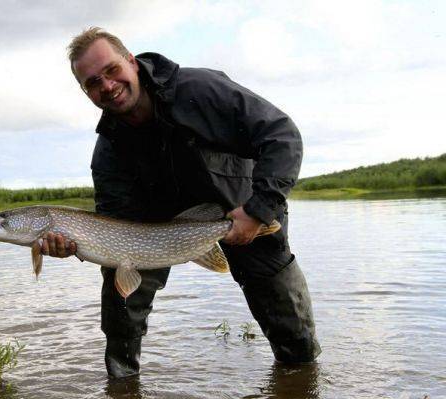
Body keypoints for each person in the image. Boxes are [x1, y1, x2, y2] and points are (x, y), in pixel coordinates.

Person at [40, 27, 321, 379]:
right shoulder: (108, 151)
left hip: (242, 206)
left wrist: (259, 209)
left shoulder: (199, 90)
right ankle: (124, 393)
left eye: (112, 70)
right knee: (121, 301)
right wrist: (78, 245)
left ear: (132, 62)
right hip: (153, 228)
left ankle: (300, 386)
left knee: (283, 312)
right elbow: (112, 224)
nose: (107, 86)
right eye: (93, 83)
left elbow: (282, 136)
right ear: (86, 92)